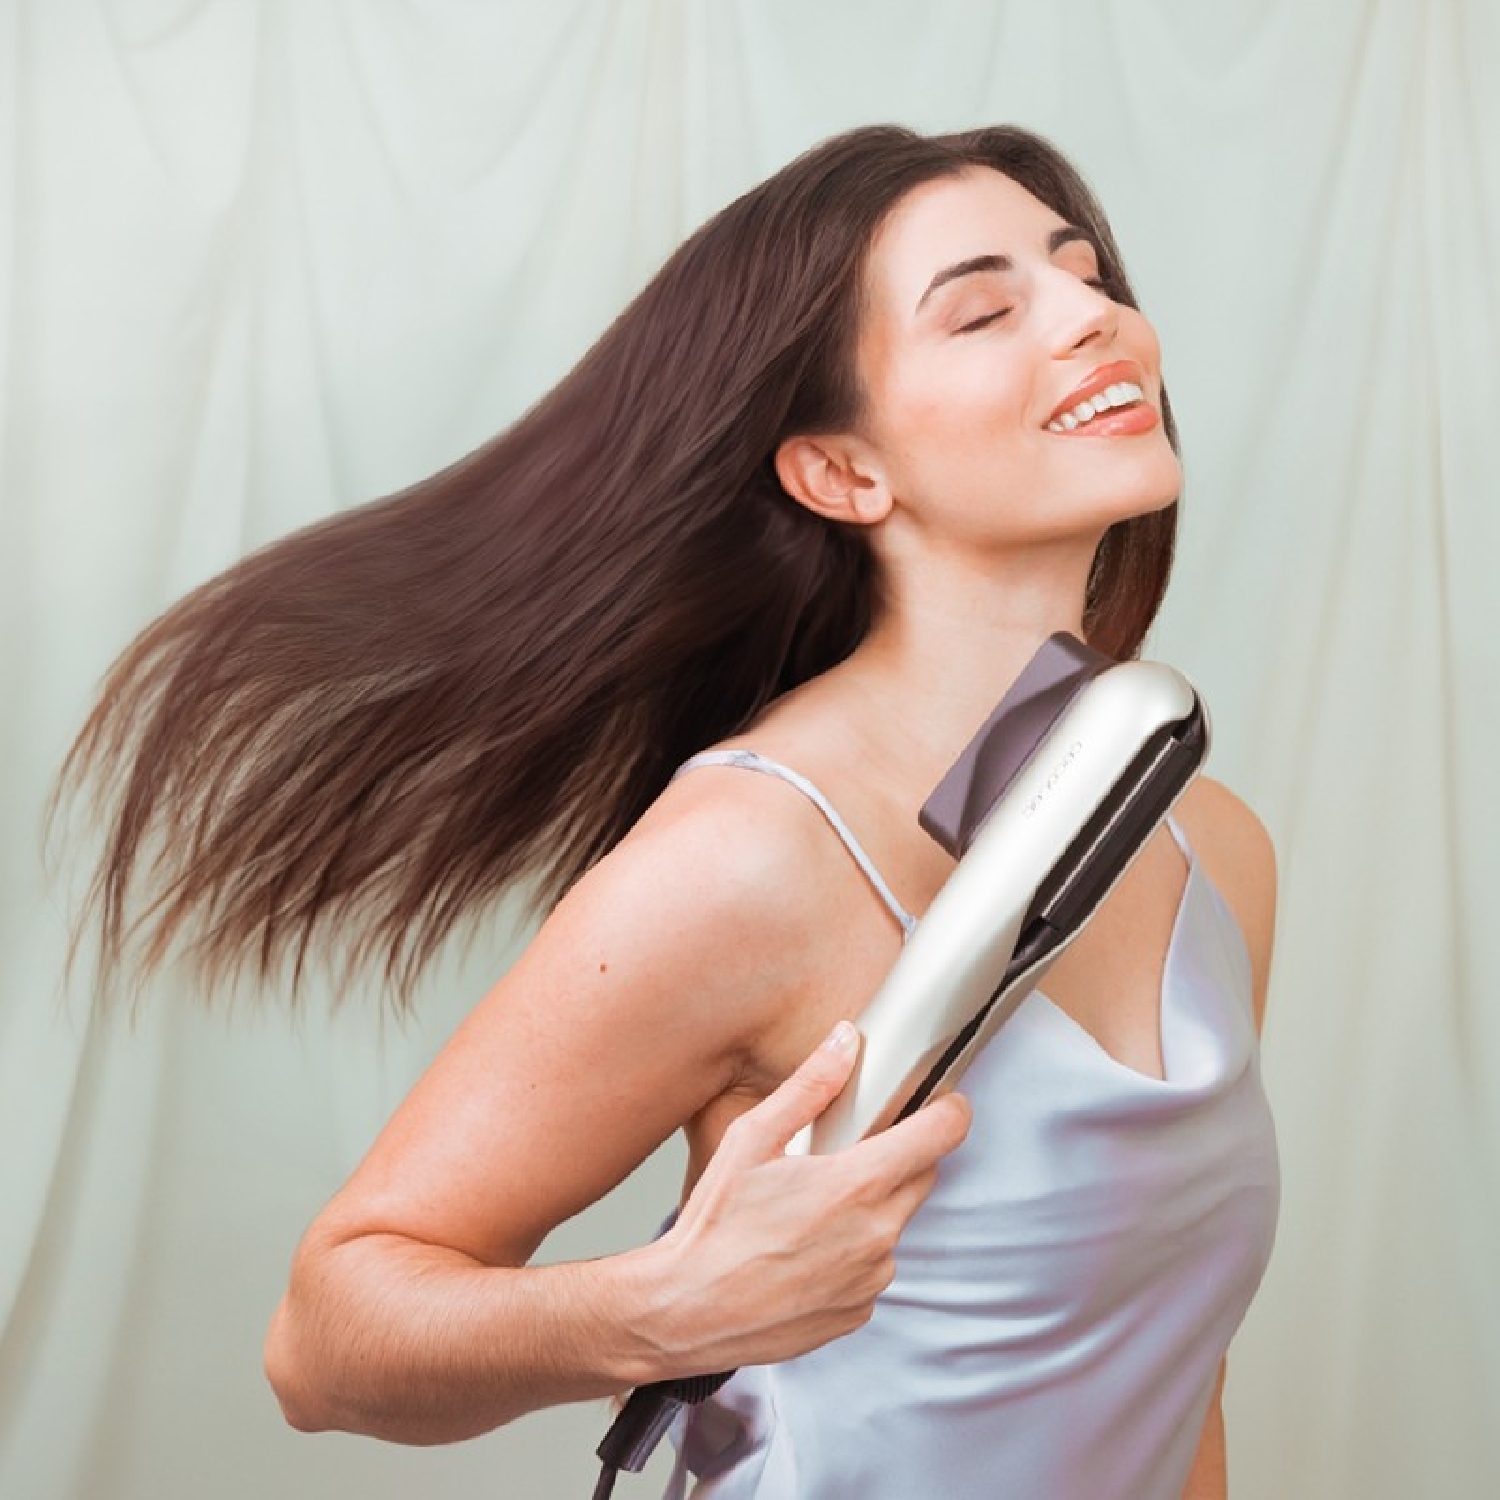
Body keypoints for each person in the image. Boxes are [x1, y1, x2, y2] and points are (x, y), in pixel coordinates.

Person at [47, 125, 1279, 1498]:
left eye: (1087, 276)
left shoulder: (1216, 854)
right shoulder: (752, 858)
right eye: (986, 311)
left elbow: (1178, 1385)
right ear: (842, 473)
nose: (1097, 318)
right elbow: (322, 1344)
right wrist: (669, 1307)